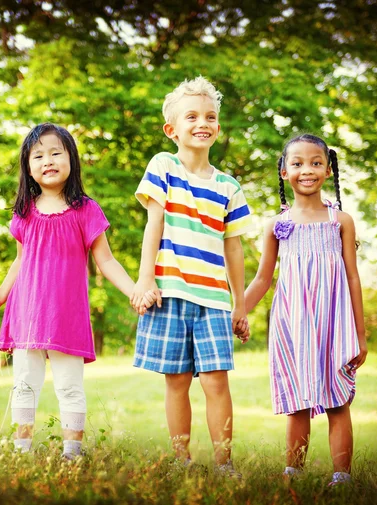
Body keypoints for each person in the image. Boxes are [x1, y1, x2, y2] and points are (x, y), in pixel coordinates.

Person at [0, 122, 155, 460]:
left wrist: (134, 290)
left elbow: (106, 262)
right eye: (38, 155)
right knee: (24, 383)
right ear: (28, 167)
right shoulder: (24, 213)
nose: (47, 160)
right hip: (27, 315)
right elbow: (19, 263)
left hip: (66, 315)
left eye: (55, 152)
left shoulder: (86, 210)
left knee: (69, 385)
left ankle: (72, 452)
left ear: (71, 159)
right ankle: (21, 449)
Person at [130, 76, 252, 476]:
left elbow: (234, 248)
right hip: (170, 292)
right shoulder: (163, 166)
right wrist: (146, 279)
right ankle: (182, 461)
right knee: (177, 380)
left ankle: (224, 463)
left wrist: (241, 303)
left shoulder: (229, 186)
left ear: (218, 126)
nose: (203, 122)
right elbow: (155, 224)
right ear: (173, 129)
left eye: (211, 116)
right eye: (193, 116)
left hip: (214, 299)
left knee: (217, 382)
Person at [244, 133, 367, 486]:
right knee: (297, 401)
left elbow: (353, 278)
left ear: (328, 170)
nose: (307, 170)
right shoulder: (276, 225)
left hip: (335, 323)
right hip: (292, 324)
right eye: (297, 163)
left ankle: (342, 476)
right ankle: (293, 473)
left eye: (315, 163)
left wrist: (359, 334)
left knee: (337, 399)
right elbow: (262, 279)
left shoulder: (340, 221)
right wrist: (239, 312)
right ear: (284, 172)